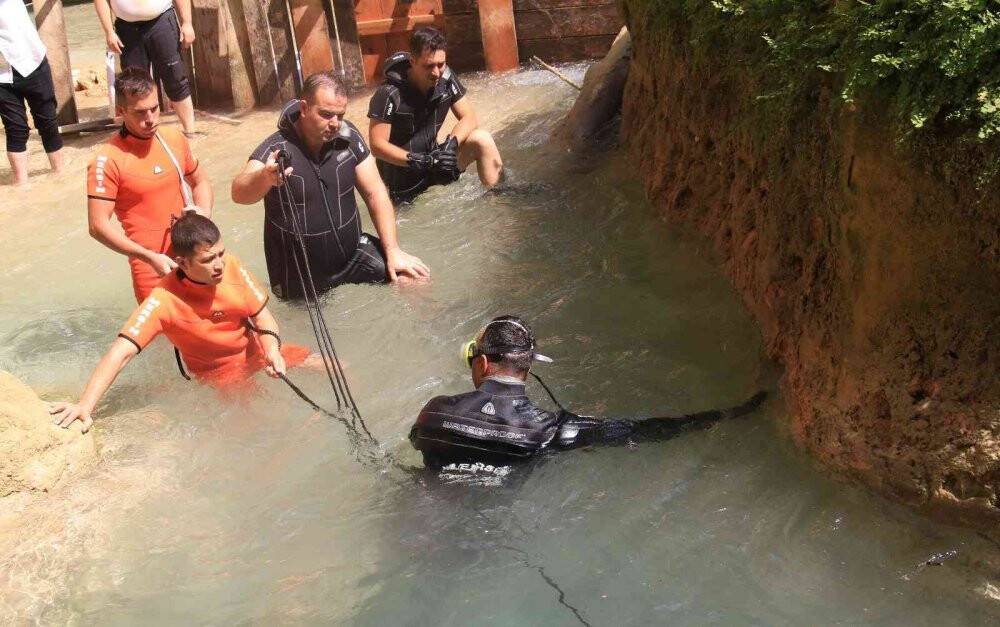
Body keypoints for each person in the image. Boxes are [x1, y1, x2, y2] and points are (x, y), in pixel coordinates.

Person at [49, 212, 313, 433]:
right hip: (222, 377)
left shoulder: (232, 265)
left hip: (259, 355)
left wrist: (272, 351)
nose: (219, 264)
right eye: (208, 260)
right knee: (269, 429)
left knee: (334, 366)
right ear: (182, 263)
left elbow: (262, 317)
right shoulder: (163, 300)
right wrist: (84, 405)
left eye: (221, 253)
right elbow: (121, 352)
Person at [409, 316, 768, 470]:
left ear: (482, 363)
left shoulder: (433, 414)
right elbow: (639, 431)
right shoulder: (548, 431)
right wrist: (727, 413)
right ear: (527, 367)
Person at [231, 71, 429, 300]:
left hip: (352, 254)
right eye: (326, 115)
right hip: (299, 271)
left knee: (413, 277)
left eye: (340, 115)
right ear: (304, 108)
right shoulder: (276, 149)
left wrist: (393, 250)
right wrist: (265, 178)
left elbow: (375, 192)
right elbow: (238, 193)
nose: (335, 123)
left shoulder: (349, 137)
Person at [87, 66, 213, 303]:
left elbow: (200, 181)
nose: (150, 119)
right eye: (140, 113)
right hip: (152, 269)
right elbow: (97, 226)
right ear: (121, 111)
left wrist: (203, 213)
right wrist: (147, 256)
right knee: (166, 339)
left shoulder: (173, 138)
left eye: (154, 109)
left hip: (194, 257)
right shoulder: (107, 160)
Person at [367, 27, 503, 204]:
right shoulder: (388, 93)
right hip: (403, 182)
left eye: (441, 64)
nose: (436, 72)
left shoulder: (446, 78)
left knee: (482, 139)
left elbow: (469, 117)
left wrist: (451, 146)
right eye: (429, 66)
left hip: (435, 166)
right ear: (412, 61)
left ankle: (500, 199)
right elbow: (377, 145)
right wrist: (421, 160)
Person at [93, 0, 197, 136]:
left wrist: (187, 23)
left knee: (176, 79)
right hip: (126, 29)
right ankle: (142, 138)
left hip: (162, 20)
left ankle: (190, 133)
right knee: (134, 89)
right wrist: (108, 31)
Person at [0, 0, 64, 185]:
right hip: (2, 75)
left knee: (48, 122)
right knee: (16, 130)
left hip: (31, 60)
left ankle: (60, 176)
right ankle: (21, 186)